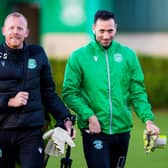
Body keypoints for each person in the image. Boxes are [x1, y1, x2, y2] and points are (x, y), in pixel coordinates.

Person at [62, 10, 160, 168]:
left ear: (116, 28)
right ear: (94, 28)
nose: (106, 36)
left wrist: (148, 120)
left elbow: (137, 92)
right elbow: (69, 93)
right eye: (101, 31)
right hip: (94, 131)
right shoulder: (79, 56)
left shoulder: (128, 55)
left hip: (122, 131)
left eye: (110, 30)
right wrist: (89, 116)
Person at [0, 12, 74, 168]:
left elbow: (49, 93)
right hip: (2, 130)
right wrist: (9, 101)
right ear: (3, 30)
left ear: (26, 32)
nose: (15, 31)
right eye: (11, 27)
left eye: (19, 28)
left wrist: (65, 118)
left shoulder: (37, 53)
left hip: (31, 131)